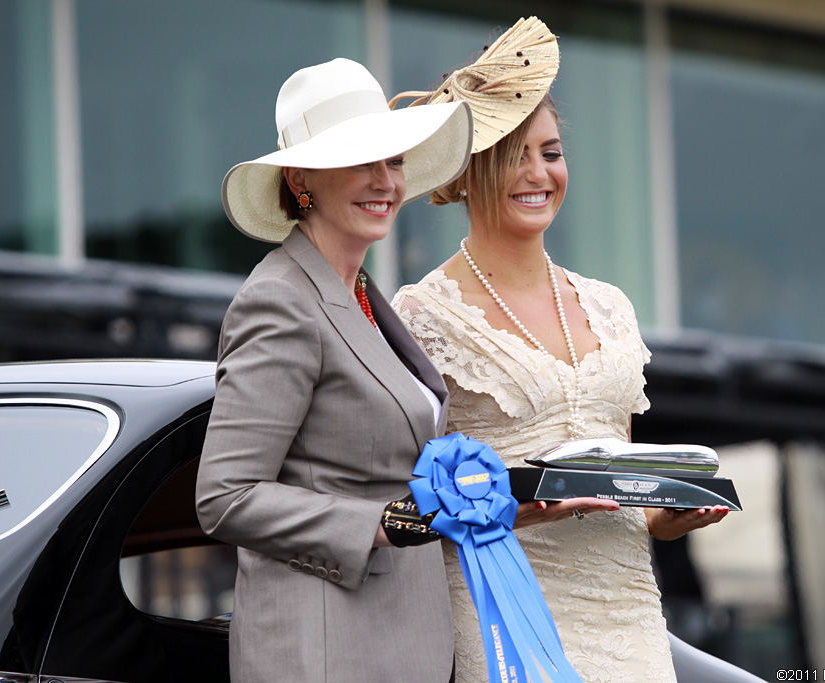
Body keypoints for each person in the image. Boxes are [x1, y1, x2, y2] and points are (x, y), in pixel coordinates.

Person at [391, 17, 730, 683]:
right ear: (469, 171)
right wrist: (513, 507)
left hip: (629, 613)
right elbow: (407, 507)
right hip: (504, 610)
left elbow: (632, 489)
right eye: (514, 154)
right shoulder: (421, 314)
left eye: (551, 151)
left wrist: (673, 512)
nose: (538, 173)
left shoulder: (610, 305)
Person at [195, 58, 473, 682]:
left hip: (398, 644)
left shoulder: (362, 295)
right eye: (359, 161)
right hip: (322, 653)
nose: (385, 181)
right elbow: (225, 498)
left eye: (394, 161)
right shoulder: (280, 299)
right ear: (302, 180)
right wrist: (381, 525)